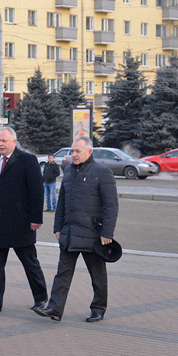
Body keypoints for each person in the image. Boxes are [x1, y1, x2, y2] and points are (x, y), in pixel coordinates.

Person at [35, 136, 119, 323]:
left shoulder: (102, 172)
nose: (73, 154)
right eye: (72, 151)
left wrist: (107, 233)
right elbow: (62, 203)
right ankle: (55, 308)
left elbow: (111, 206)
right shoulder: (68, 171)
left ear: (89, 152)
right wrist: (58, 228)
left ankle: (98, 309)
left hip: (93, 235)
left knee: (97, 275)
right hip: (70, 233)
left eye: (77, 151)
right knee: (62, 274)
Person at [0, 127, 48, 315]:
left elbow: (37, 191)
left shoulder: (27, 160)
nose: (0, 144)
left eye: (4, 141)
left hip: (21, 222)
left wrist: (36, 218)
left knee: (30, 263)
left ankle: (41, 298)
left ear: (14, 142)